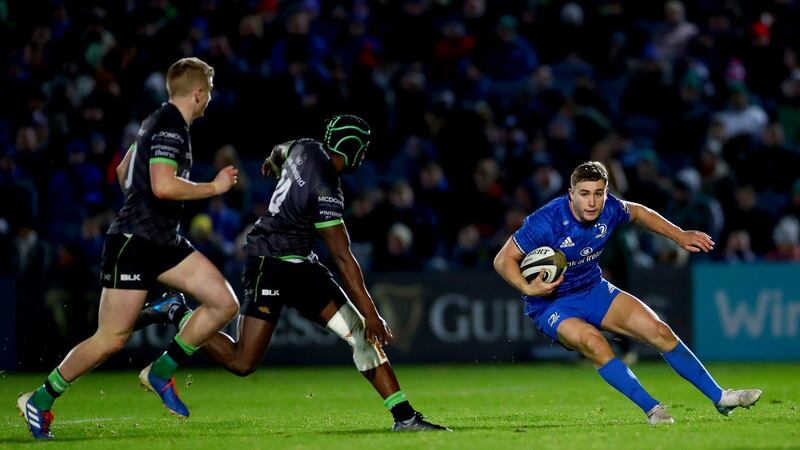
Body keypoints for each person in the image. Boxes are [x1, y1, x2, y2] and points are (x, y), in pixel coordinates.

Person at [139, 114, 449, 432]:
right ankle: (177, 311)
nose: (364, 154)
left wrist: (271, 163)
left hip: (301, 264)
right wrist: (372, 312)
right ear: (350, 147)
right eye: (363, 147)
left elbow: (279, 150)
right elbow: (343, 259)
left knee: (358, 334)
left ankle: (405, 417)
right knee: (242, 362)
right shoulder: (326, 189)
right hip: (269, 263)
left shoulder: (306, 147)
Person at [17, 57, 241, 439]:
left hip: (162, 240)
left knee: (224, 303)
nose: (211, 99)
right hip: (135, 244)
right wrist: (213, 187)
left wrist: (142, 205)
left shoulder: (157, 121)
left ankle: (161, 371)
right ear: (199, 93)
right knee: (111, 339)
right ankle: (39, 400)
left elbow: (124, 172)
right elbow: (163, 186)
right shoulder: (170, 126)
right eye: (210, 92)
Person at [494, 161, 762, 425]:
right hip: (552, 304)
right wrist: (528, 287)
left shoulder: (610, 208)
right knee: (594, 342)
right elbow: (503, 259)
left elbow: (639, 213)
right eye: (584, 194)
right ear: (571, 194)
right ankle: (653, 409)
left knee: (659, 331)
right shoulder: (546, 221)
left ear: (606, 193)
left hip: (593, 289)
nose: (591, 202)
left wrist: (679, 235)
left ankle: (720, 397)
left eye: (598, 194)